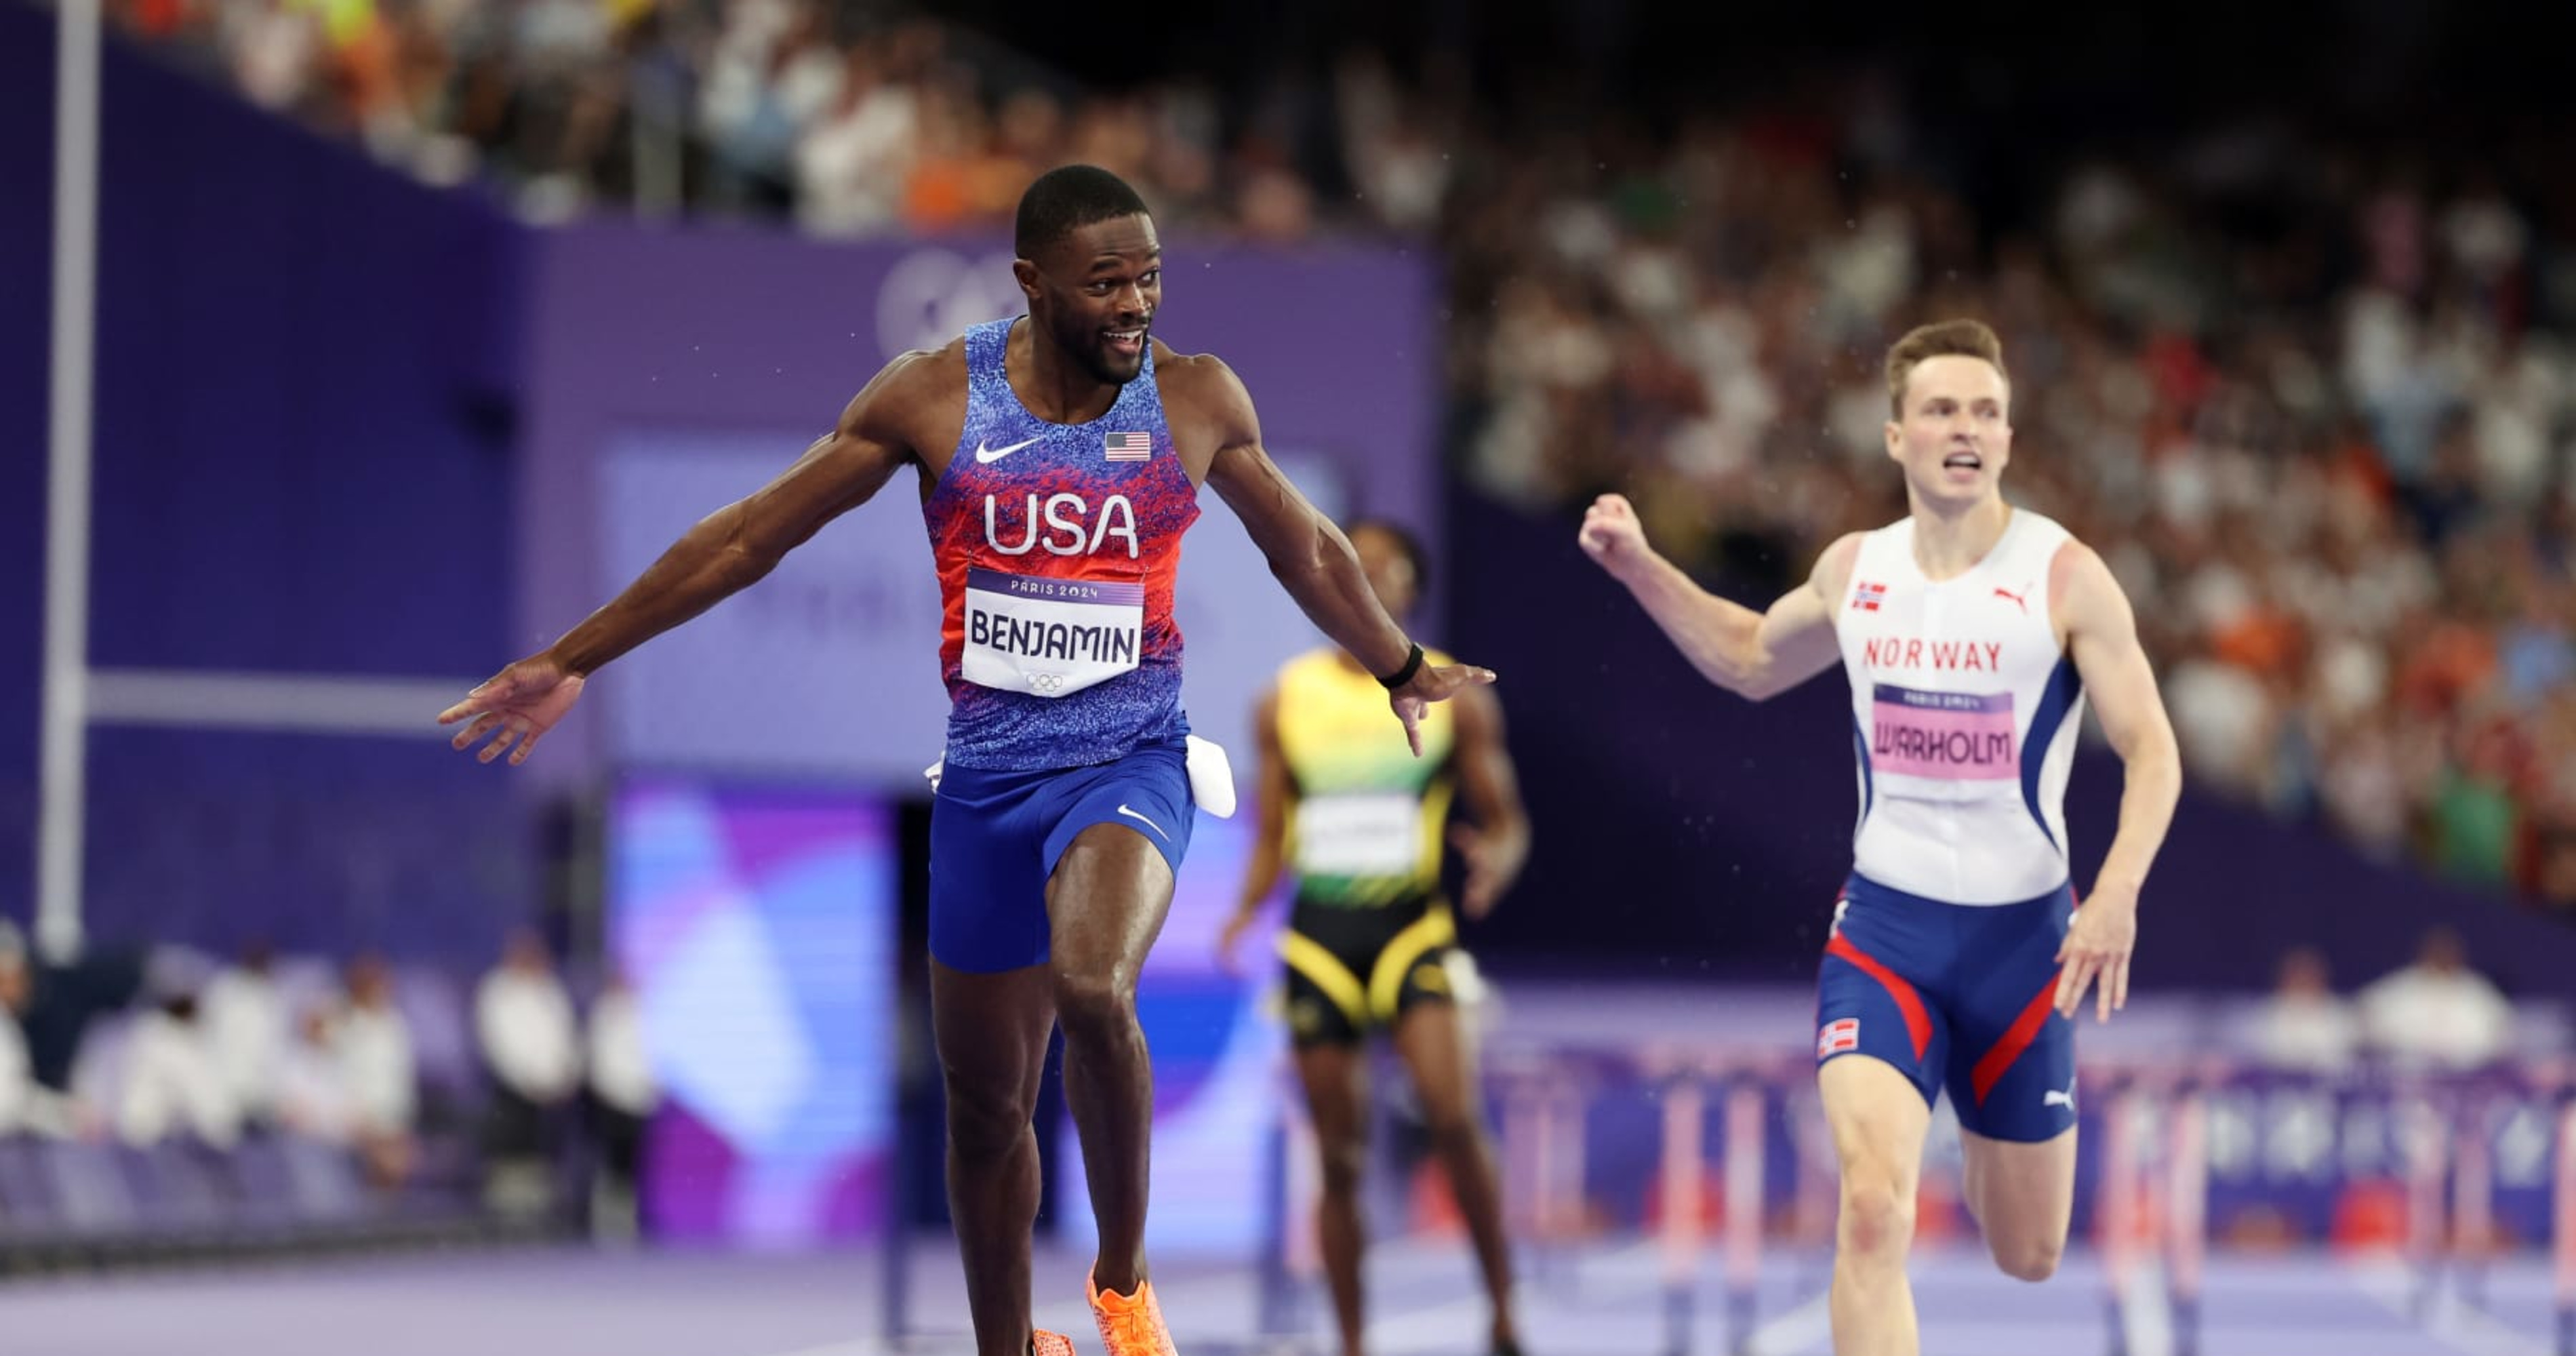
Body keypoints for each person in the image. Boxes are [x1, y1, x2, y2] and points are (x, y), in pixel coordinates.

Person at [441, 164, 1493, 1356]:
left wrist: (1400, 665)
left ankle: (1122, 1289)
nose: (1137, 307)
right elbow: (742, 541)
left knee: (1097, 986)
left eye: (1149, 278)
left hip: (1129, 760)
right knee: (988, 1110)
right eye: (1107, 285)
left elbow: (1303, 547)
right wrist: (573, 660)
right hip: (988, 785)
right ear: (1032, 285)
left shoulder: (1193, 399)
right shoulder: (935, 400)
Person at [1577, 319, 2181, 1356]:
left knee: (2028, 1249)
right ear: (1896, 435)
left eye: (1986, 411)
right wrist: (1640, 568)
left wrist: (2116, 893)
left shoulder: (2066, 577)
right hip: (1884, 937)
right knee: (1872, 1211)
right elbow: (1749, 658)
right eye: (1942, 409)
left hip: (2025, 948)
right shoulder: (1857, 569)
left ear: (2007, 436)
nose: (1966, 428)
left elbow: (2154, 753)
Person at [1216, 519, 1531, 1356]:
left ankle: (1502, 1307)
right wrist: (1244, 910)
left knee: (1452, 1117)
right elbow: (1271, 834)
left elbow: (1505, 822)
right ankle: (1353, 1343)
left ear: (1411, 590)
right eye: (1349, 566)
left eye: (1387, 570)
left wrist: (1495, 858)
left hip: (1410, 932)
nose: (1366, 580)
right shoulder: (1283, 698)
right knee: (1340, 1157)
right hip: (1319, 940)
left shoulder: (1452, 692)